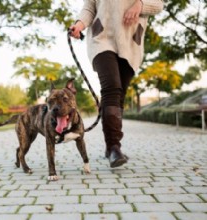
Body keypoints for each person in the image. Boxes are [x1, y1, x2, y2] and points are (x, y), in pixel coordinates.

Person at [70, 0, 164, 168]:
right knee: (111, 88)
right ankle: (114, 147)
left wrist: (139, 5)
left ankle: (110, 147)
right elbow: (89, 7)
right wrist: (79, 24)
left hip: (130, 41)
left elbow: (158, 4)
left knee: (118, 95)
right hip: (102, 38)